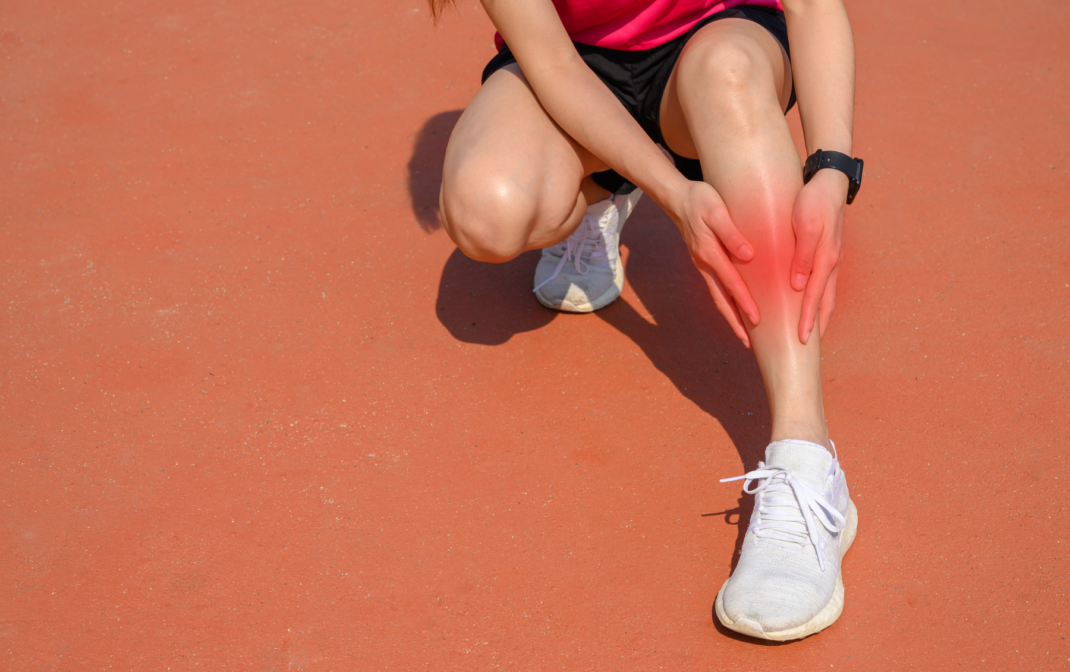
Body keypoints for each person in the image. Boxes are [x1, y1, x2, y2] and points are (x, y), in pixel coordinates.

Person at [433, 0, 863, 641]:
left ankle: (808, 462)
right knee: (486, 210)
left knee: (728, 71)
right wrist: (673, 193)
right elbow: (551, 61)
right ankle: (608, 191)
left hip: (718, 42)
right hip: (575, 65)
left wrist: (831, 169)